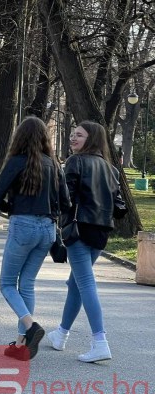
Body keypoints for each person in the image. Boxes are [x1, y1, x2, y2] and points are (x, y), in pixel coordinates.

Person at [0, 116, 70, 361]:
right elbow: (66, 203)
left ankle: (31, 325)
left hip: (23, 225)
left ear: (20, 137)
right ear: (45, 138)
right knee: (27, 284)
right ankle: (21, 344)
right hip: (47, 229)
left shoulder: (17, 162)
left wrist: (12, 207)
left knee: (6, 284)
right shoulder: (54, 165)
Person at [48, 121, 127, 363]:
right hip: (101, 232)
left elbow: (65, 197)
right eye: (72, 135)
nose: (73, 138)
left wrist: (56, 217)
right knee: (76, 283)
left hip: (79, 230)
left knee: (86, 283)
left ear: (90, 139)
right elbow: (121, 208)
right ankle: (60, 335)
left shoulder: (76, 162)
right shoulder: (111, 169)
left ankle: (100, 341)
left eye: (79, 136)